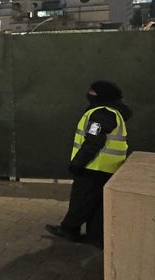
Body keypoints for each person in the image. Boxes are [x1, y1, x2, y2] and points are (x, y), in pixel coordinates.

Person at [45, 81, 132, 249]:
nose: (89, 93)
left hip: (94, 166)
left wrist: (78, 163)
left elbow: (94, 141)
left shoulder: (102, 113)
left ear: (103, 95)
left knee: (81, 199)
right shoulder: (114, 112)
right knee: (98, 203)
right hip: (108, 167)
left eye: (93, 91)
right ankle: (96, 237)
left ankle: (70, 229)